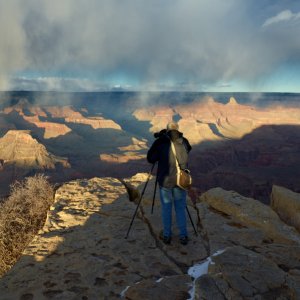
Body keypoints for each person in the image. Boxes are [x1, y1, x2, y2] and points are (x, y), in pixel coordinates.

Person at [147, 121, 192, 245]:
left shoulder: (161, 142)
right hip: (180, 181)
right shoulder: (184, 141)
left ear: (167, 130)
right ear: (177, 130)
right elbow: (189, 149)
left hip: (166, 181)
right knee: (180, 209)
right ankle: (183, 236)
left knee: (166, 208)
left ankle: (167, 235)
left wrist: (160, 140)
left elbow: (150, 158)